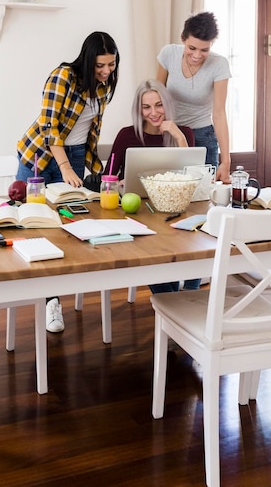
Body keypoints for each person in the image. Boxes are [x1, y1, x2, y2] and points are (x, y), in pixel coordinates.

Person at [16, 31, 120, 332]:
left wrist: (98, 173)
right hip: (40, 155)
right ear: (88, 60)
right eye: (100, 65)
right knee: (33, 225)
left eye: (111, 65)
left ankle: (52, 301)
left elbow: (91, 135)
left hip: (73, 157)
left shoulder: (103, 88)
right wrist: (64, 168)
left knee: (65, 230)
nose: (106, 71)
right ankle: (38, 297)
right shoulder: (62, 76)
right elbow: (50, 128)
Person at [85, 78, 198, 294]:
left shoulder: (184, 133)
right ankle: (172, 300)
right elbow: (108, 178)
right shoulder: (127, 134)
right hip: (139, 212)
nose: (153, 112)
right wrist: (119, 184)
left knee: (195, 239)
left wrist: (178, 136)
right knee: (152, 253)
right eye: (146, 107)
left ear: (167, 105)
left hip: (175, 210)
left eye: (159, 105)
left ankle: (189, 294)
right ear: (139, 109)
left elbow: (192, 176)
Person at [156, 11, 232, 183]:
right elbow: (156, 96)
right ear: (183, 38)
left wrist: (226, 161)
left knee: (202, 194)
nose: (197, 55)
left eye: (204, 50)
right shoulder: (169, 54)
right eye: (192, 48)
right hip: (170, 131)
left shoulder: (219, 65)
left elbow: (219, 113)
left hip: (202, 135)